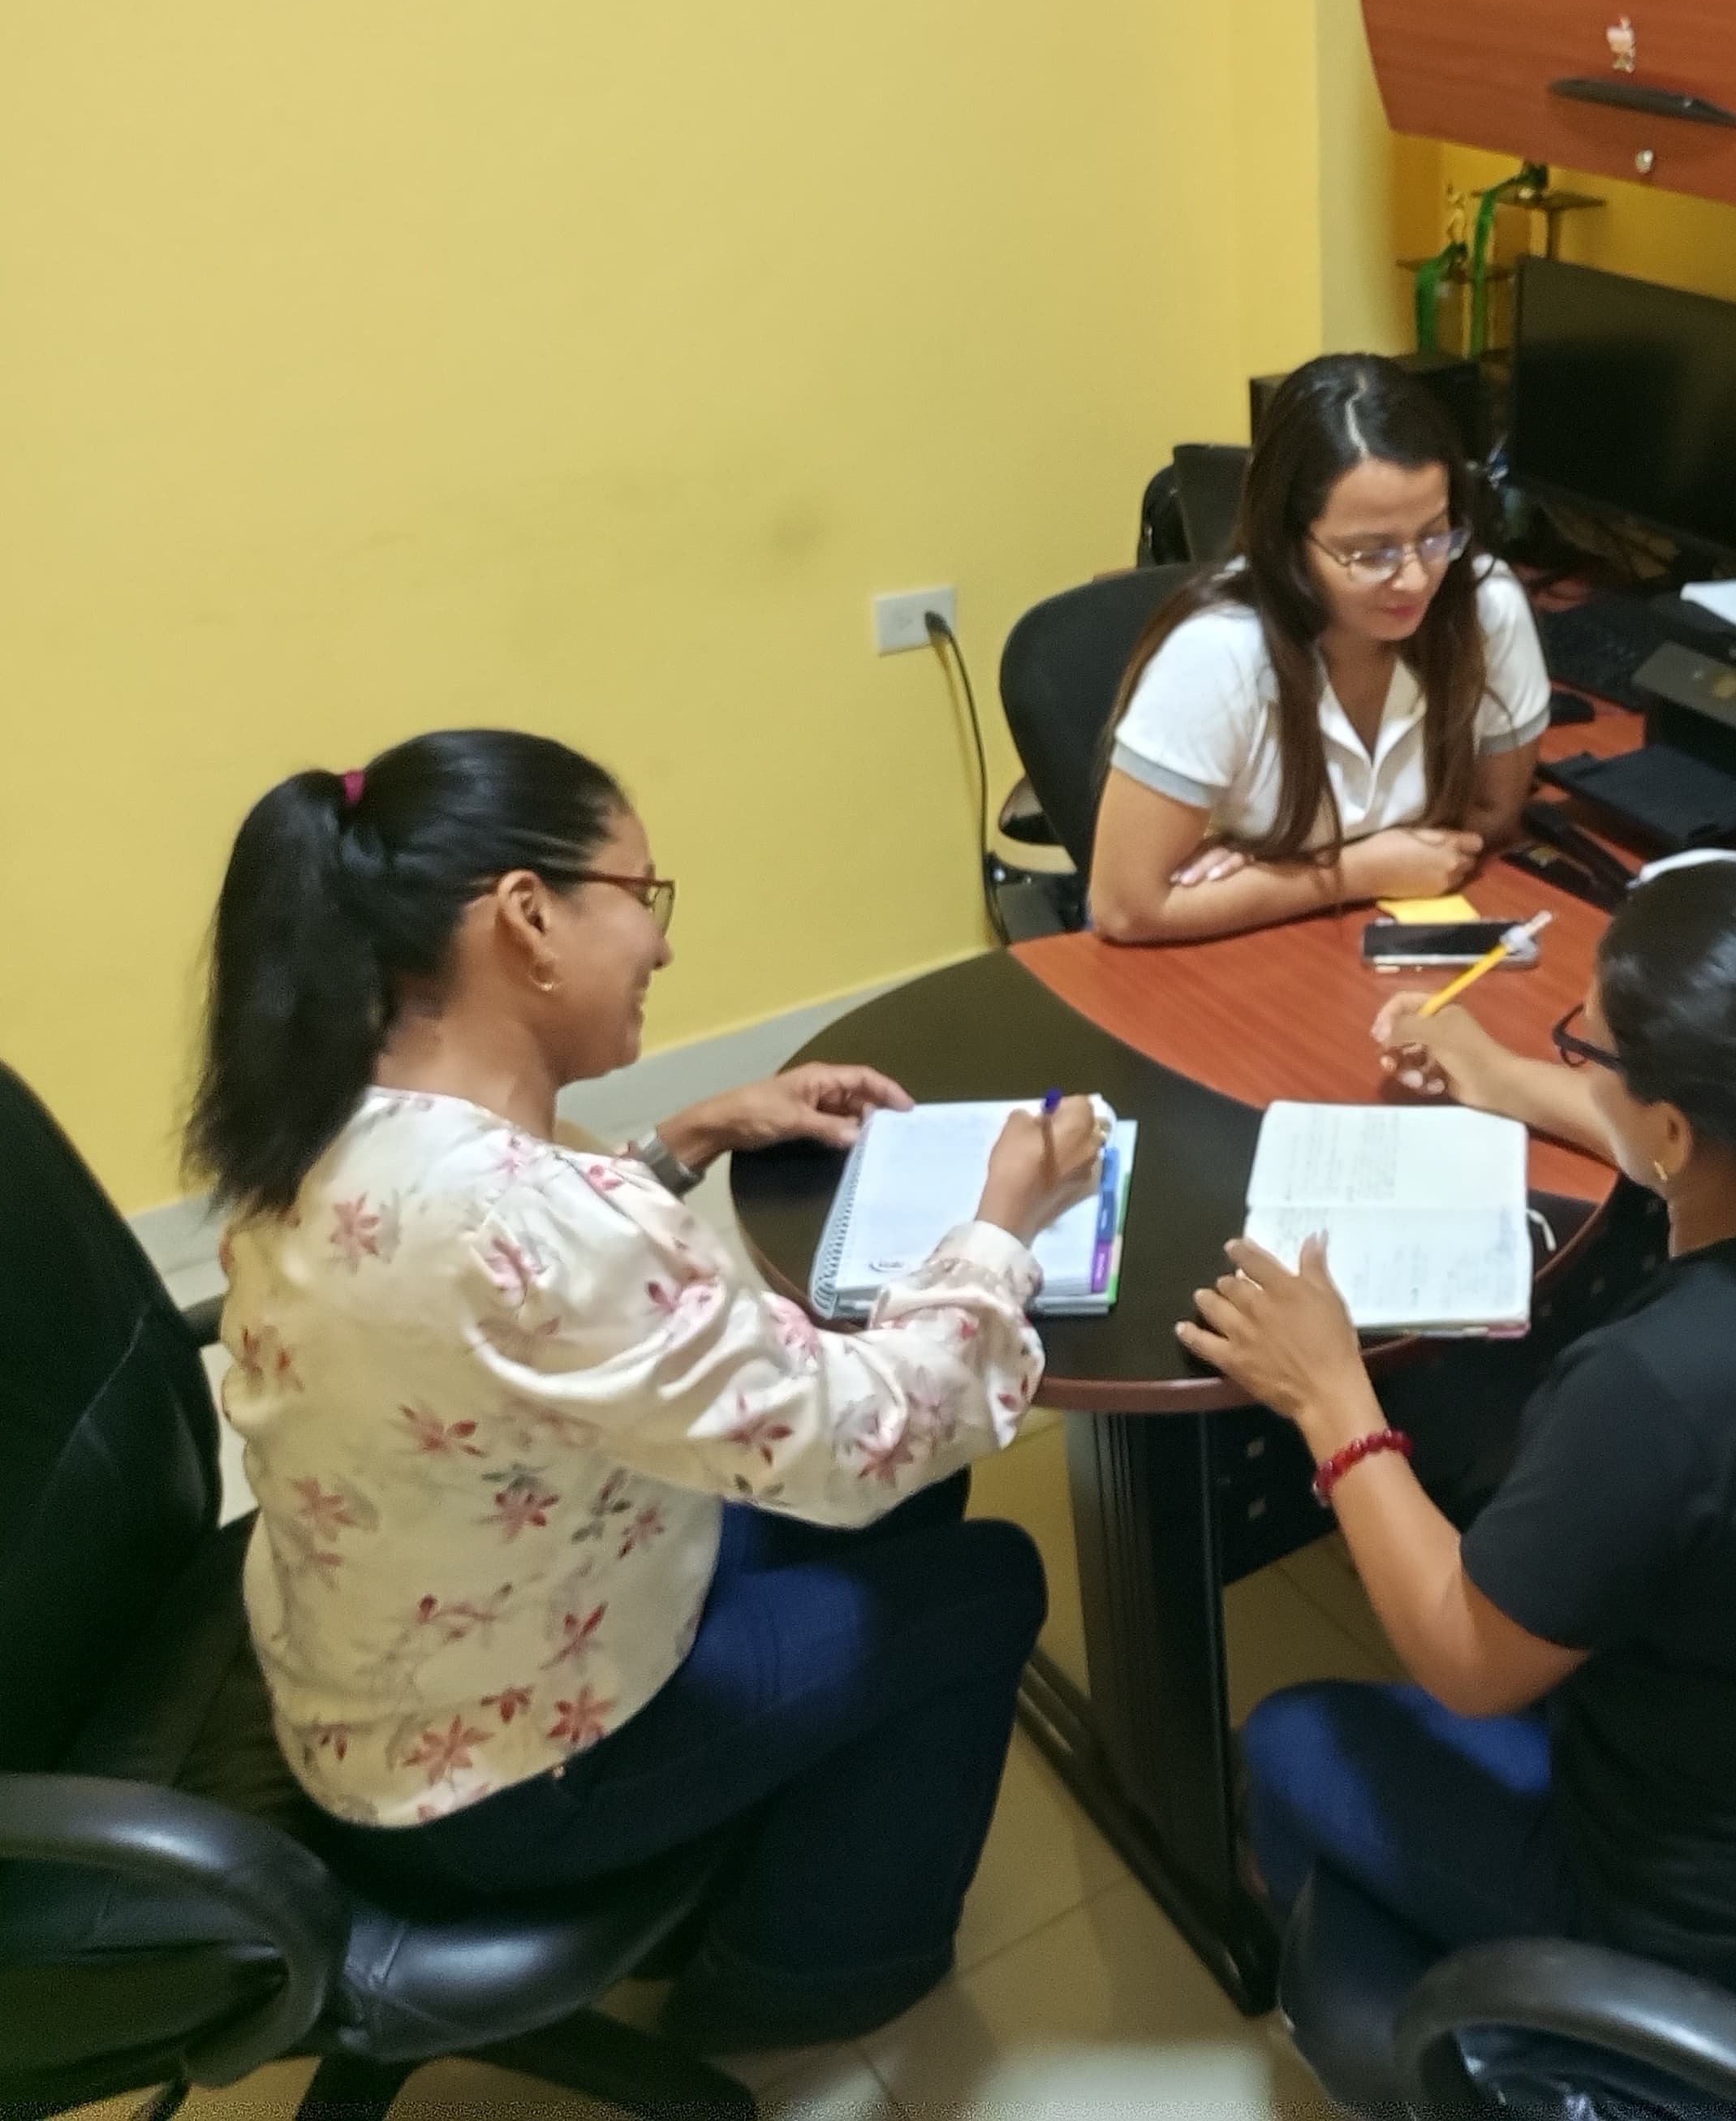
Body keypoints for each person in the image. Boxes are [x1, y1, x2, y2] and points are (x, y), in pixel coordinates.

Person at [190, 728, 1101, 2053]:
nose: (661, 945)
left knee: (906, 1495)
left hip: (404, 1677)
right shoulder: (532, 1222)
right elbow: (862, 1436)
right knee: (987, 1577)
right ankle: (804, 1976)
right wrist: (1005, 1221)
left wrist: (688, 1136)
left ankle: (774, 1824)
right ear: (527, 917)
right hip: (500, 1785)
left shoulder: (330, 1120)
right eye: (641, 895)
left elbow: (516, 1294)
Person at [1178, 862, 1736, 2039]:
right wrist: (1499, 1075)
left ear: (1673, 1126)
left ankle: (1488, 2041)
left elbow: (1468, 1664)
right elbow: (1682, 1153)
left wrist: (1329, 1395)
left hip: (1712, 1924)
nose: (1573, 1062)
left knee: (1291, 1739)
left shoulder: (1661, 1389)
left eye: (1586, 1049)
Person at [1087, 352, 1550, 943]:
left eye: (1435, 535)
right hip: (1240, 953)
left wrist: (1276, 868)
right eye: (1372, 553)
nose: (1414, 579)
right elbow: (1124, 907)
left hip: (1368, 935)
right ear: (1288, 541)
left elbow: (1492, 815)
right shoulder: (1216, 654)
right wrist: (1352, 872)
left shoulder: (1487, 607)